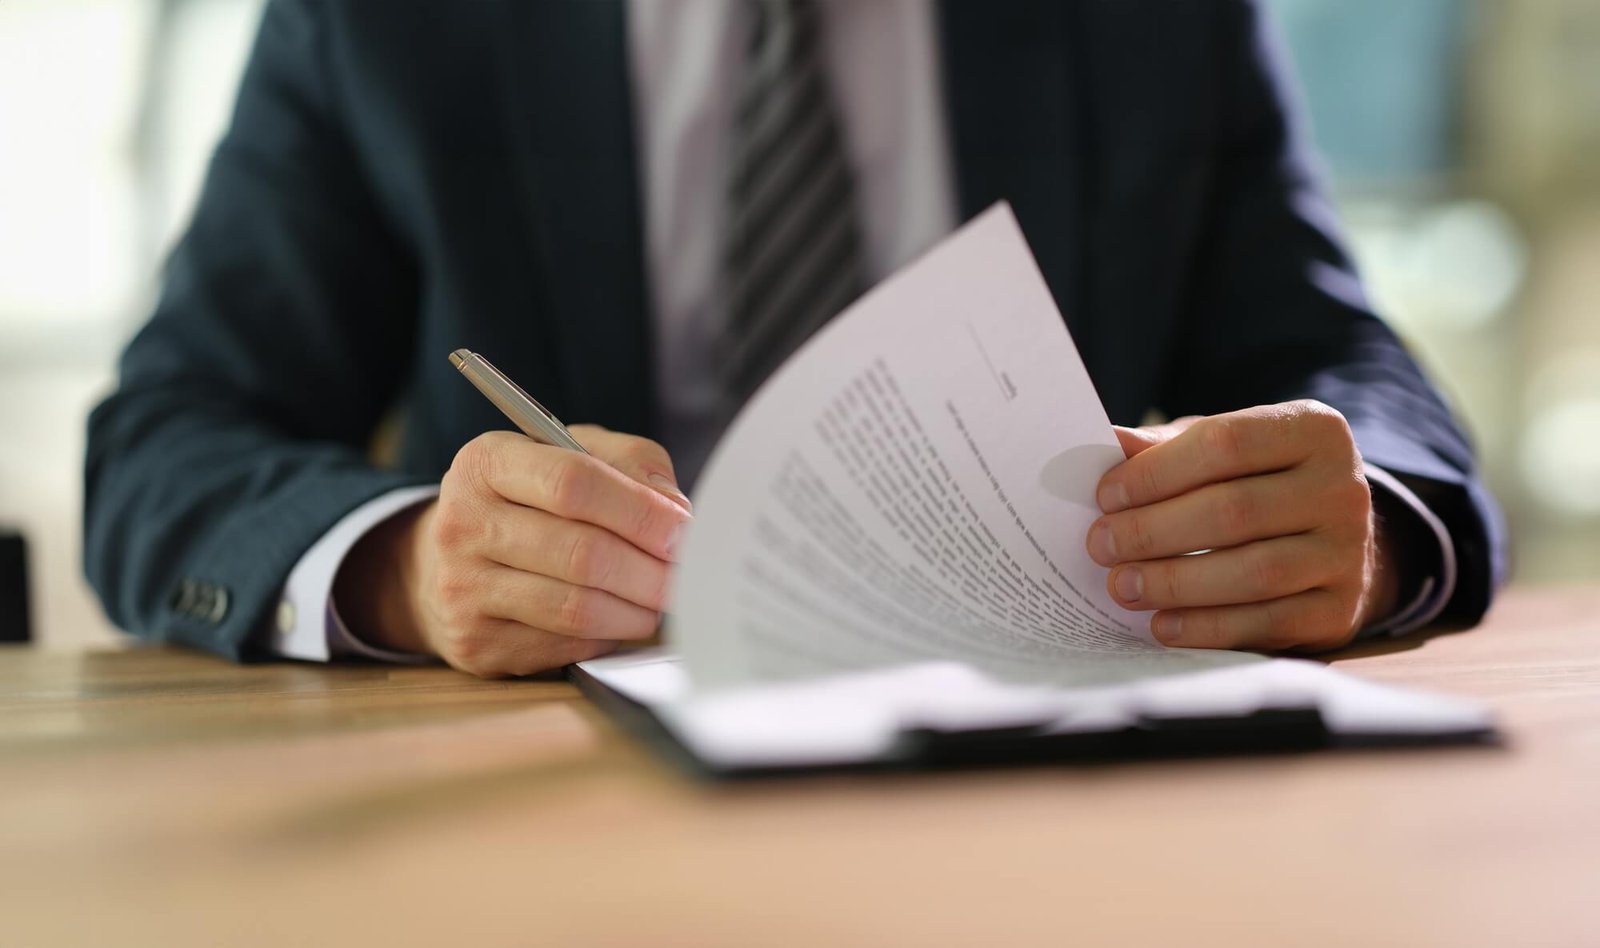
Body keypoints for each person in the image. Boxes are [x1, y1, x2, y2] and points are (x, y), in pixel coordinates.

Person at [84, 0, 1505, 679]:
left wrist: (1366, 526)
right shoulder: (395, 24)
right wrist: (402, 568)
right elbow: (169, 436)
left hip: (1050, 766)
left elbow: (1346, 369)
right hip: (551, 805)